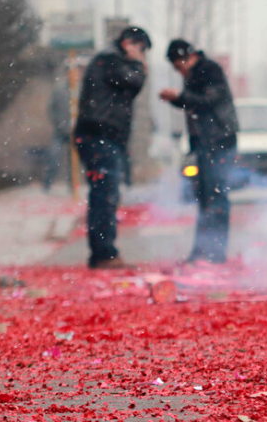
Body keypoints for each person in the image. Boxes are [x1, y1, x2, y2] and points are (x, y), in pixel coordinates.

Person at [73, 26, 150, 270]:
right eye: (141, 50)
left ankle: (102, 252)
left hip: (101, 136)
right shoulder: (111, 60)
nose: (143, 57)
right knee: (105, 195)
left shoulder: (108, 60)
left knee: (103, 194)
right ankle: (104, 253)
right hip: (99, 136)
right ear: (128, 43)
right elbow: (134, 82)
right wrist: (138, 65)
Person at [159, 39, 239, 265]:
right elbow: (195, 103)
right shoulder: (194, 74)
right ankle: (203, 250)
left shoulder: (209, 70)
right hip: (205, 142)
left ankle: (216, 252)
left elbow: (209, 101)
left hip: (219, 140)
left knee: (216, 196)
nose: (179, 72)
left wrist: (179, 97)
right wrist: (177, 100)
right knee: (205, 197)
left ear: (188, 58)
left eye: (178, 66)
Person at [43, 73, 71, 191]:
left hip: (74, 131)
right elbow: (51, 108)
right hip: (59, 131)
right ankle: (48, 183)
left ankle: (72, 185)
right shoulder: (59, 89)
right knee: (54, 156)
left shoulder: (80, 88)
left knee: (73, 160)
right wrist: (58, 122)